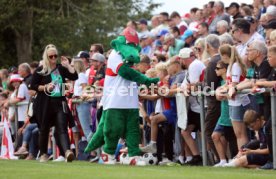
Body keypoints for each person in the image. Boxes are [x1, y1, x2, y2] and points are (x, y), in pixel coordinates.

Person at [30, 44, 78, 162]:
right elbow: (32, 86)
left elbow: (74, 76)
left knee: (62, 126)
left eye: (55, 56)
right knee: (44, 128)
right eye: (51, 56)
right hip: (44, 103)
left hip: (59, 102)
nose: (53, 58)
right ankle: (43, 154)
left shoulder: (60, 68)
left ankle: (67, 152)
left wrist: (68, 66)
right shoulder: (41, 70)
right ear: (46, 56)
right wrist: (45, 87)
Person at [219, 44, 249, 150]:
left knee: (240, 132)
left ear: (225, 55)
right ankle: (241, 153)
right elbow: (228, 84)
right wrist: (221, 89)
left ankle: (243, 154)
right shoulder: (231, 66)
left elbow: (234, 84)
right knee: (238, 133)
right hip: (232, 101)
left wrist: (225, 91)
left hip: (238, 101)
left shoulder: (235, 65)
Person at [179, 48, 205, 165]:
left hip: (202, 106)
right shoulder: (192, 66)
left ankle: (211, 157)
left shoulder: (194, 65)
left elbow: (192, 87)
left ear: (184, 59)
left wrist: (185, 88)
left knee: (204, 133)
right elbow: (185, 85)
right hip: (196, 106)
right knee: (185, 131)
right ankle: (197, 156)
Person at [212, 60, 237, 167]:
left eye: (218, 68)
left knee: (232, 138)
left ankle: (233, 160)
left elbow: (231, 95)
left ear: (224, 70)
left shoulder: (230, 82)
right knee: (215, 136)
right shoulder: (221, 83)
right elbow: (218, 96)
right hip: (224, 114)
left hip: (231, 112)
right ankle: (223, 160)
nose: (215, 70)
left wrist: (224, 95)